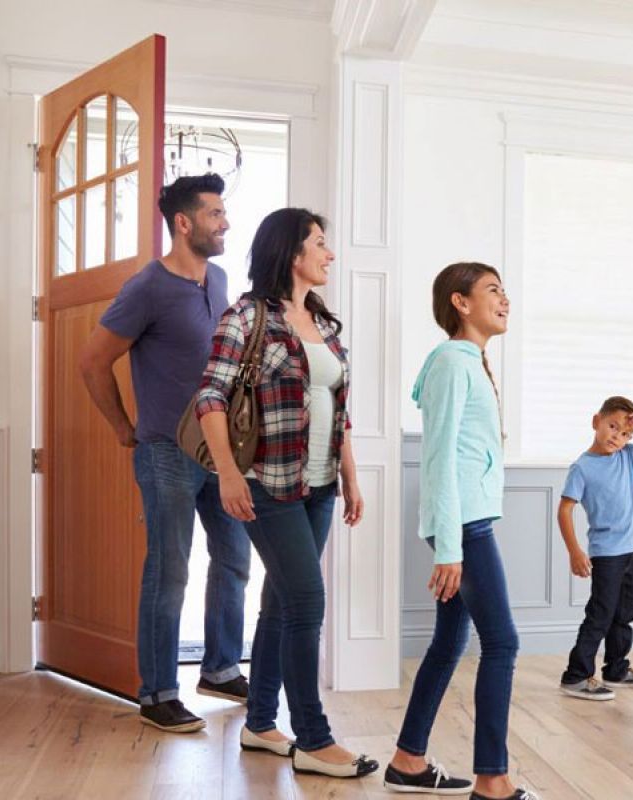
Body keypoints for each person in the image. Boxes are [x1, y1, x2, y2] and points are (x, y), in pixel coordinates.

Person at [194, 207, 376, 779]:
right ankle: (314, 740)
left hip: (319, 483)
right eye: (321, 243)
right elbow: (210, 399)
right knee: (306, 602)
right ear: (292, 252)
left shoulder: (321, 320)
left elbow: (336, 408)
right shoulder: (247, 316)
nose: (330, 253)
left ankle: (260, 724)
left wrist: (349, 474)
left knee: (279, 602)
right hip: (268, 484)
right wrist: (226, 473)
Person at [79, 173, 251, 733]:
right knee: (170, 569)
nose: (224, 223)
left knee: (233, 560)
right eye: (215, 214)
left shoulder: (220, 278)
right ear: (184, 222)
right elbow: (92, 362)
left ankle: (222, 668)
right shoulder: (147, 287)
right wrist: (122, 426)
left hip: (221, 453)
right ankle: (156, 692)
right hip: (166, 452)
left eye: (224, 213)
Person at [385, 263, 537, 800]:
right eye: (493, 290)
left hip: (465, 520)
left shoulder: (468, 362)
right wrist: (449, 548)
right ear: (461, 303)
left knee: (450, 640)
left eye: (506, 290)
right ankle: (493, 779)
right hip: (463, 525)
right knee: (503, 642)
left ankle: (408, 760)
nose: (505, 299)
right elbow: (439, 459)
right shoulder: (453, 363)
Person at [557, 396, 633, 701]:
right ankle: (576, 675)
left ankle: (616, 668)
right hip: (606, 553)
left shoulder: (629, 456)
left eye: (625, 434)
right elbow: (564, 510)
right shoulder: (582, 468)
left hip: (632, 547)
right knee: (601, 613)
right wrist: (575, 551)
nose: (617, 437)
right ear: (596, 421)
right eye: (612, 427)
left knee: (624, 612)